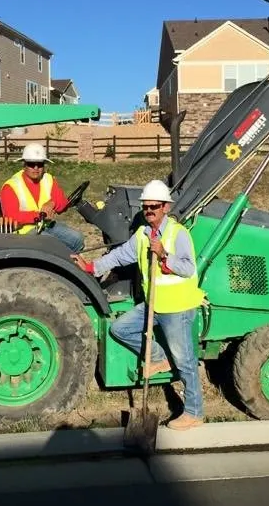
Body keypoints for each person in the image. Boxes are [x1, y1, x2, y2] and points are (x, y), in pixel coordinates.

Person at [71, 179, 205, 431]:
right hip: (154, 305)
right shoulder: (143, 234)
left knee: (185, 361)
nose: (149, 211)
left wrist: (164, 255)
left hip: (177, 308)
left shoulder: (178, 234)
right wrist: (91, 266)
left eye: (154, 206)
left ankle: (194, 412)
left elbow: (188, 268)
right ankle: (159, 358)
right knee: (120, 329)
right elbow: (121, 255)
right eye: (146, 207)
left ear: (165, 207)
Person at [0, 142, 85, 252]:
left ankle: (70, 260)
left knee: (77, 239)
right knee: (53, 245)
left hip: (45, 225)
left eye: (40, 164)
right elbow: (12, 216)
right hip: (23, 231)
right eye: (31, 164)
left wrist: (51, 203)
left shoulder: (48, 179)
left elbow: (63, 202)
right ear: (24, 165)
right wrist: (40, 215)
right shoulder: (11, 186)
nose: (36, 168)